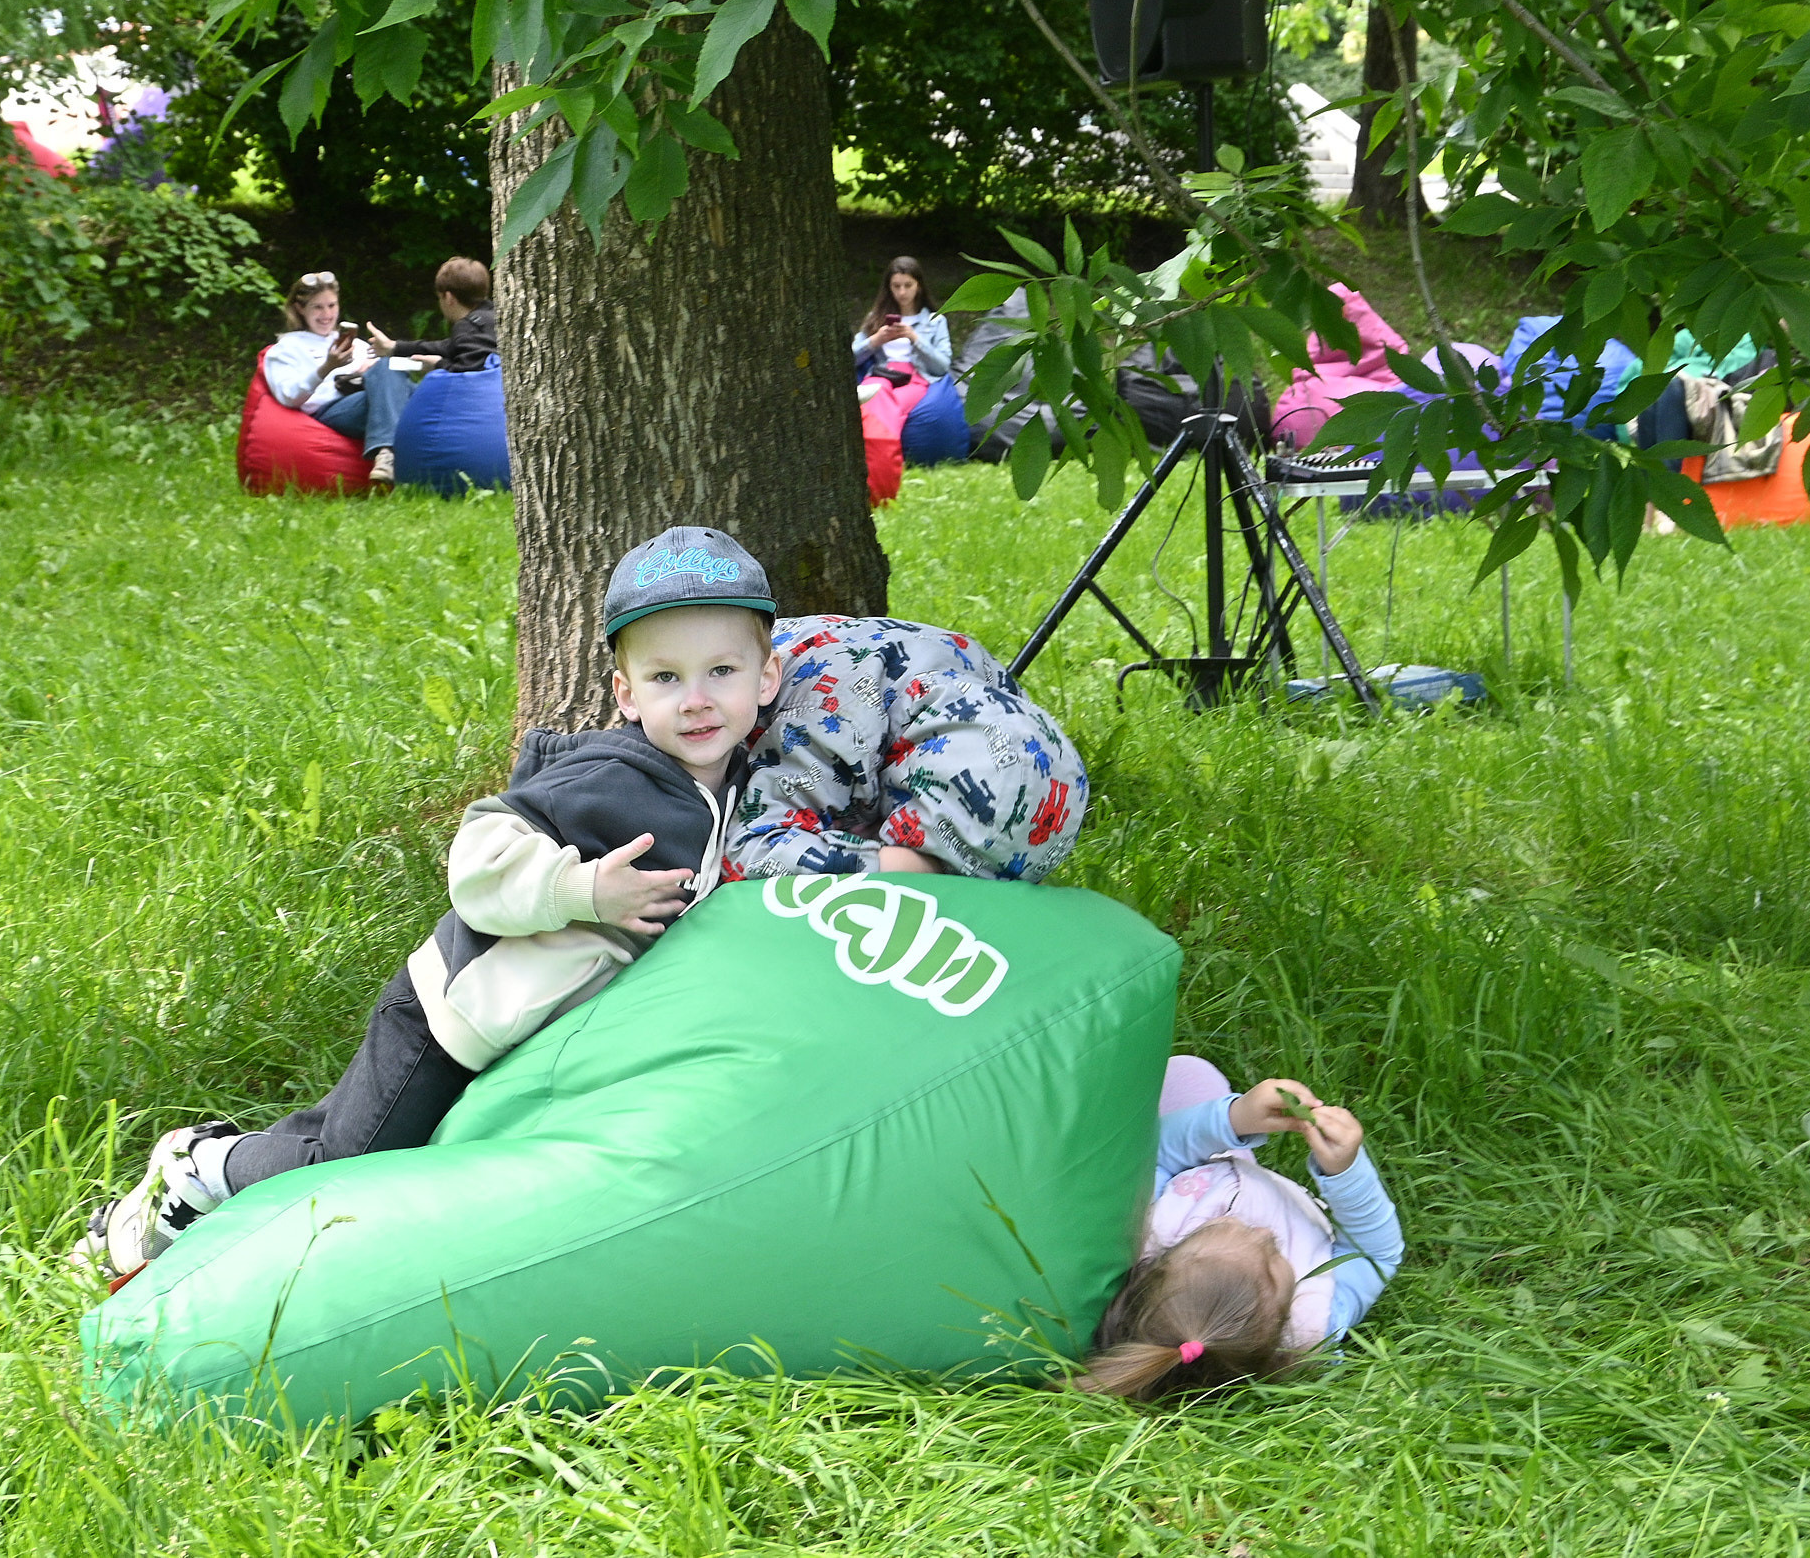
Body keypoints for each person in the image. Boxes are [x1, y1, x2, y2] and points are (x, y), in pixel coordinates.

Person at [71, 526, 785, 1288]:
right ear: (626, 693)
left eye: (722, 670)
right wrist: (583, 889)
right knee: (347, 1157)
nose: (699, 699)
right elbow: (477, 855)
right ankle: (199, 1168)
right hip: (450, 1018)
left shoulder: (744, 780)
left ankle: (189, 1206)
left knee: (367, 1143)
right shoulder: (615, 774)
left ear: (767, 677)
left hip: (534, 1038)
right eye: (667, 677)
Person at [1074, 1056, 1404, 1399]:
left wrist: (1236, 1118)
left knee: (1187, 1074)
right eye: (1276, 1260)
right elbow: (1376, 1253)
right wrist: (1345, 1173)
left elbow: (1155, 1153)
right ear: (1280, 1324)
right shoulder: (1314, 1323)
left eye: (1216, 1226)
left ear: (1156, 1263)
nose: (1262, 1231)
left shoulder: (1144, 1231)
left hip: (1210, 1172)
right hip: (1251, 1182)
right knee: (1191, 1076)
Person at [729, 615, 1086, 883]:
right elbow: (748, 851)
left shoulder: (990, 693)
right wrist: (891, 865)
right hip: (746, 686)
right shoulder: (824, 728)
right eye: (944, 870)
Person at [261, 270, 399, 487]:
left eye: (331, 306)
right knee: (395, 393)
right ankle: (386, 453)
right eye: (317, 307)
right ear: (300, 309)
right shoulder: (285, 349)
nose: (326, 314)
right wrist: (328, 367)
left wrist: (394, 355)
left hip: (376, 400)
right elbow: (289, 397)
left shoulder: (357, 345)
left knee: (390, 368)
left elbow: (400, 374)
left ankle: (387, 455)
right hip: (333, 410)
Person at [366, 256, 498, 373]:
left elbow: (468, 375)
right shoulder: (493, 317)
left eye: (439, 297)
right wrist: (394, 347)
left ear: (448, 297)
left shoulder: (468, 326)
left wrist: (438, 365)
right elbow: (447, 347)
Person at [851, 256, 953, 387]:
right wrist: (875, 340)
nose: (902, 292)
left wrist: (915, 338)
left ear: (919, 286)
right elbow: (849, 360)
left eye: (908, 285)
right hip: (882, 376)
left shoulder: (935, 321)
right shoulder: (875, 318)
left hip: (916, 380)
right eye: (896, 286)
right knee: (875, 393)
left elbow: (942, 366)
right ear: (889, 288)